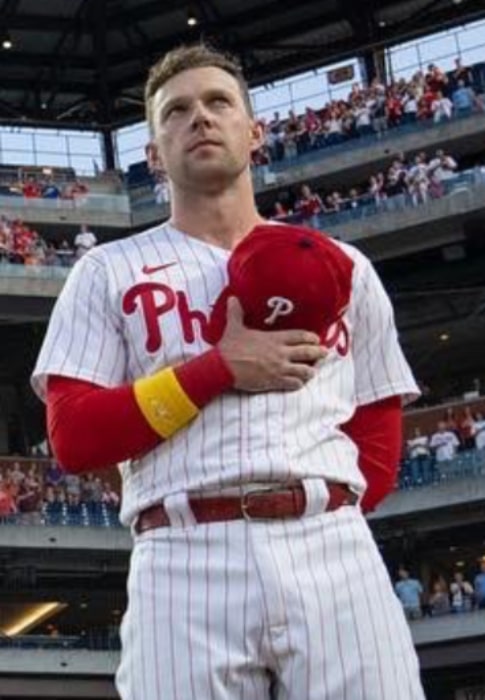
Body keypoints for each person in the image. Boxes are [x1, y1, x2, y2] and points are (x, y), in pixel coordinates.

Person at [31, 43, 425, 700]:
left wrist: (321, 513)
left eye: (218, 103)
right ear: (154, 153)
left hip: (328, 542)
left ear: (255, 129)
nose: (200, 119)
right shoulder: (106, 270)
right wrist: (217, 368)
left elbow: (377, 426)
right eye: (176, 112)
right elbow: (74, 437)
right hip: (182, 551)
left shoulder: (344, 265)